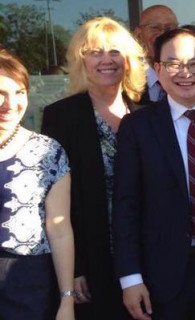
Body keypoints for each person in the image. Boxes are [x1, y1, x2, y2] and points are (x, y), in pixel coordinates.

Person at [112, 28, 195, 320]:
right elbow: (126, 207)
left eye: (194, 63)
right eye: (173, 63)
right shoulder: (138, 128)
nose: (185, 72)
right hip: (165, 279)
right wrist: (130, 278)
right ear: (158, 69)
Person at [41, 16, 145, 320]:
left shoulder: (147, 111)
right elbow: (56, 202)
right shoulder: (60, 117)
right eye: (95, 52)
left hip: (144, 256)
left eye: (114, 51)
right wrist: (74, 269)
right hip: (90, 259)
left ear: (128, 60)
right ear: (80, 60)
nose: (106, 60)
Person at [0, 48, 75, 320]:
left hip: (28, 282)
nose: (10, 104)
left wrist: (67, 299)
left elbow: (60, 230)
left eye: (19, 92)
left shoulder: (48, 152)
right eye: (1, 93)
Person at [134, 5, 179, 103]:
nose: (162, 34)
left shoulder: (190, 74)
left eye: (169, 29)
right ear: (138, 34)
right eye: (154, 28)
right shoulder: (127, 78)